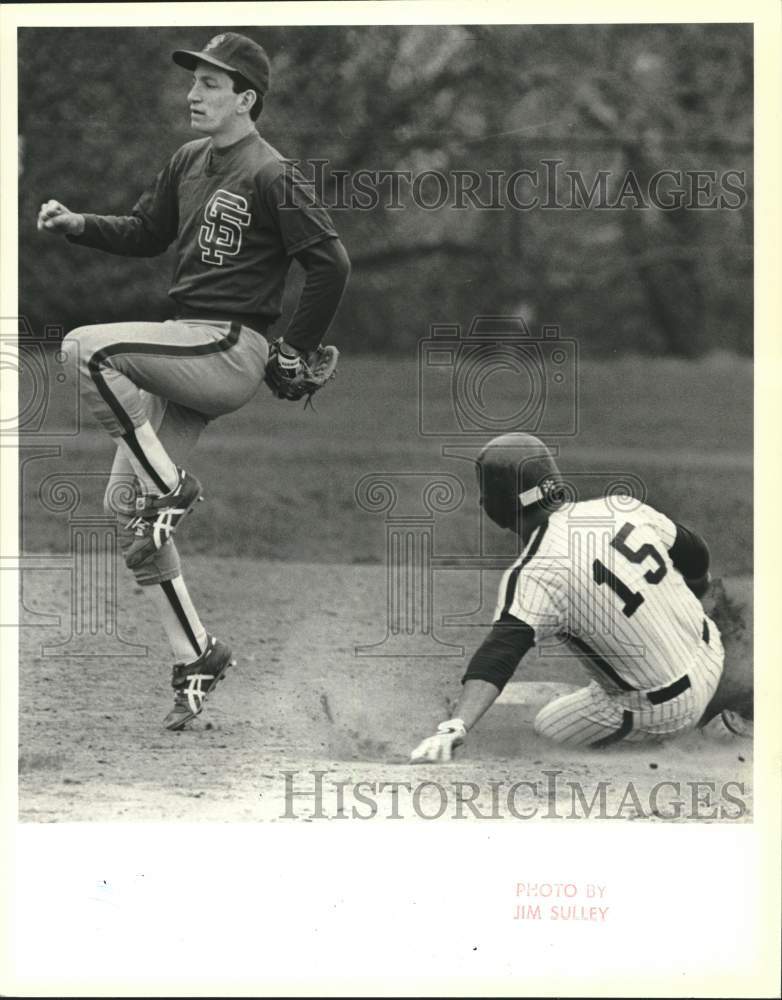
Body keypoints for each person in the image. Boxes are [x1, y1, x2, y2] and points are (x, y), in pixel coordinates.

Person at [37, 32, 351, 730]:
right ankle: (197, 653)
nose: (193, 93)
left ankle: (173, 490)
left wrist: (294, 350)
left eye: (211, 83)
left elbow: (332, 264)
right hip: (188, 344)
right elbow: (149, 232)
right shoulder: (187, 160)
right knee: (127, 512)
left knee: (85, 348)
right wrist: (79, 223)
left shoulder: (272, 173)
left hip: (228, 346)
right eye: (195, 81)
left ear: (247, 99)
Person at [410, 432, 740, 762]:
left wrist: (456, 725)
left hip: (663, 715)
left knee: (548, 729)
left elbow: (501, 652)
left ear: (496, 506)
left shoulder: (537, 572)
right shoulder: (620, 506)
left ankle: (704, 736)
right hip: (712, 652)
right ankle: (724, 705)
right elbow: (695, 552)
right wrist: (694, 591)